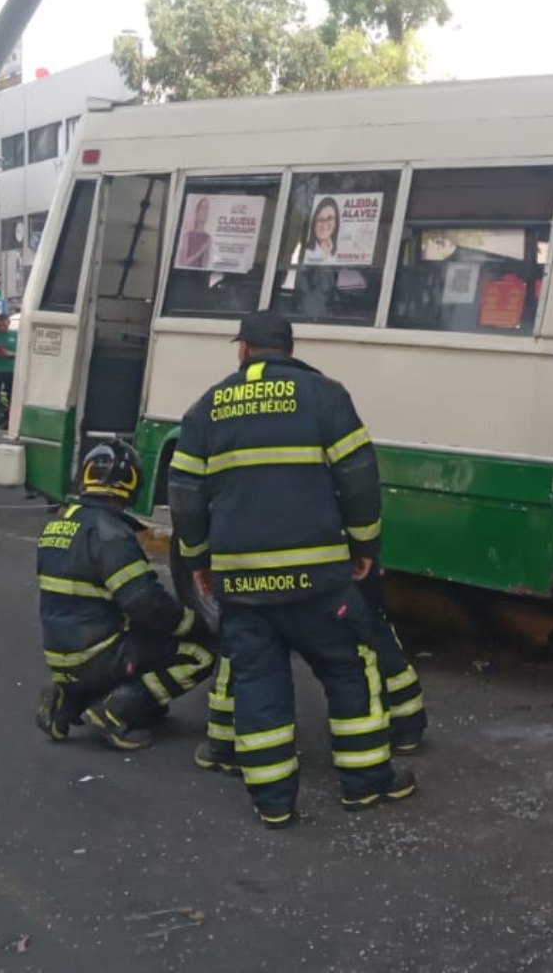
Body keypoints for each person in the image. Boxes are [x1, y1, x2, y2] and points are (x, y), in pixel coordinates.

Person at [169, 311, 415, 828]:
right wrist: (365, 543)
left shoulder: (206, 408)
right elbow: (359, 477)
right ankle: (366, 785)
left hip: (243, 584)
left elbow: (185, 495)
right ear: (289, 346)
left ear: (243, 350)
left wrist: (198, 560)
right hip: (320, 582)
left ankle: (274, 803)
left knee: (258, 686)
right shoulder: (326, 395)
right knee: (351, 669)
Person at [34, 441, 215, 750]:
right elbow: (145, 603)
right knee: (199, 654)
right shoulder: (110, 534)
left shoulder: (58, 526)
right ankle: (118, 711)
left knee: (133, 647)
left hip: (62, 652)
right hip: (98, 652)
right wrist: (195, 625)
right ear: (130, 483)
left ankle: (68, 699)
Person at [196, 561, 428, 777]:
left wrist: (197, 560)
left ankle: (227, 745)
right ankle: (400, 729)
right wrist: (366, 549)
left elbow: (192, 517)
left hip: (253, 568)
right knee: (364, 632)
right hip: (330, 558)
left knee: (247, 651)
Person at [303, 196, 341, 264]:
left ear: (335, 223)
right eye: (320, 219)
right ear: (314, 223)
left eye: (329, 218)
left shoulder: (338, 254)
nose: (324, 224)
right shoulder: (305, 253)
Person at [178, 197, 214, 269]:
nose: (204, 211)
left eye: (206, 208)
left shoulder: (208, 238)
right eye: (202, 208)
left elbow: (204, 266)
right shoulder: (187, 235)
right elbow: (183, 262)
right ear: (197, 211)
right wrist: (200, 251)